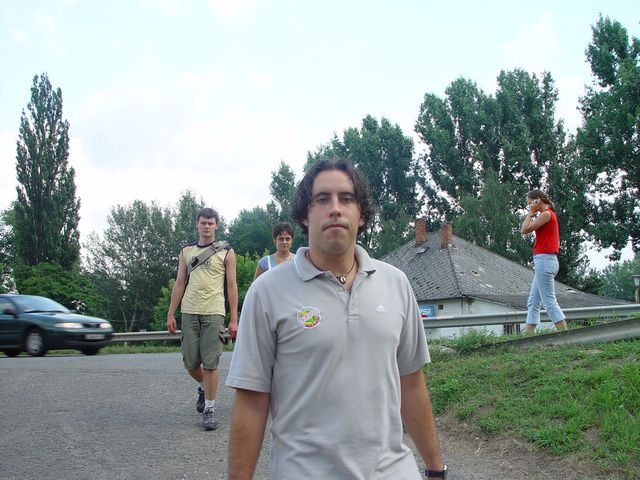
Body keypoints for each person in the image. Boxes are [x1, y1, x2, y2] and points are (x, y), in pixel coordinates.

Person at [226, 158, 447, 479]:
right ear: (305, 214)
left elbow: (411, 385)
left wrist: (436, 470)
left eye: (346, 198)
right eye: (322, 199)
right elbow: (251, 402)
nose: (335, 208)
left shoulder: (396, 283)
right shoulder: (267, 292)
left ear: (362, 214)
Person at [167, 207, 238, 431]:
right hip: (189, 310)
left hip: (214, 311)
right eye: (203, 223)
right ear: (197, 225)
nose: (207, 226)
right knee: (190, 362)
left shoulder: (226, 252)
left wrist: (234, 318)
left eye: (210, 223)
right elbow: (179, 283)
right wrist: (171, 312)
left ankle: (209, 409)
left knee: (210, 363)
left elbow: (231, 286)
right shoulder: (186, 252)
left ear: (216, 226)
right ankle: (202, 386)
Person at [520, 189, 567, 333]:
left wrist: (530, 213)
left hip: (544, 260)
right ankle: (527, 336)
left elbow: (524, 229)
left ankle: (565, 335)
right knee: (533, 302)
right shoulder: (548, 214)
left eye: (530, 203)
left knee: (549, 302)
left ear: (538, 200)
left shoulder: (546, 214)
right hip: (545, 260)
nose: (529, 206)